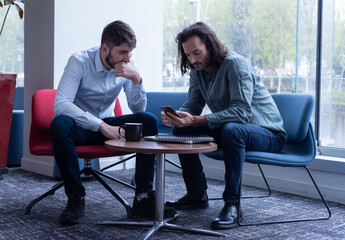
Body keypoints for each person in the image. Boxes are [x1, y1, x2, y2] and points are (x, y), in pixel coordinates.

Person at [163, 22, 287, 229]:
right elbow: (193, 104)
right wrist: (180, 116)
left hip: (268, 133)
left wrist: (196, 120)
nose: (192, 60)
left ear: (210, 46)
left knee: (232, 130)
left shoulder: (235, 65)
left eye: (196, 53)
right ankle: (197, 194)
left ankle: (232, 204)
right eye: (188, 55)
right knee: (182, 129)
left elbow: (241, 112)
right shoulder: (198, 71)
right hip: (236, 129)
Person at [50, 20, 176, 225]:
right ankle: (75, 197)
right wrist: (101, 126)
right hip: (81, 126)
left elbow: (138, 110)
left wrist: (137, 80)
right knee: (59, 124)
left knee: (148, 120)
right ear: (105, 48)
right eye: (123, 52)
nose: (128, 58)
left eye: (131, 52)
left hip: (108, 123)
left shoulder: (128, 66)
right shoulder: (80, 61)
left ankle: (142, 197)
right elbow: (61, 104)